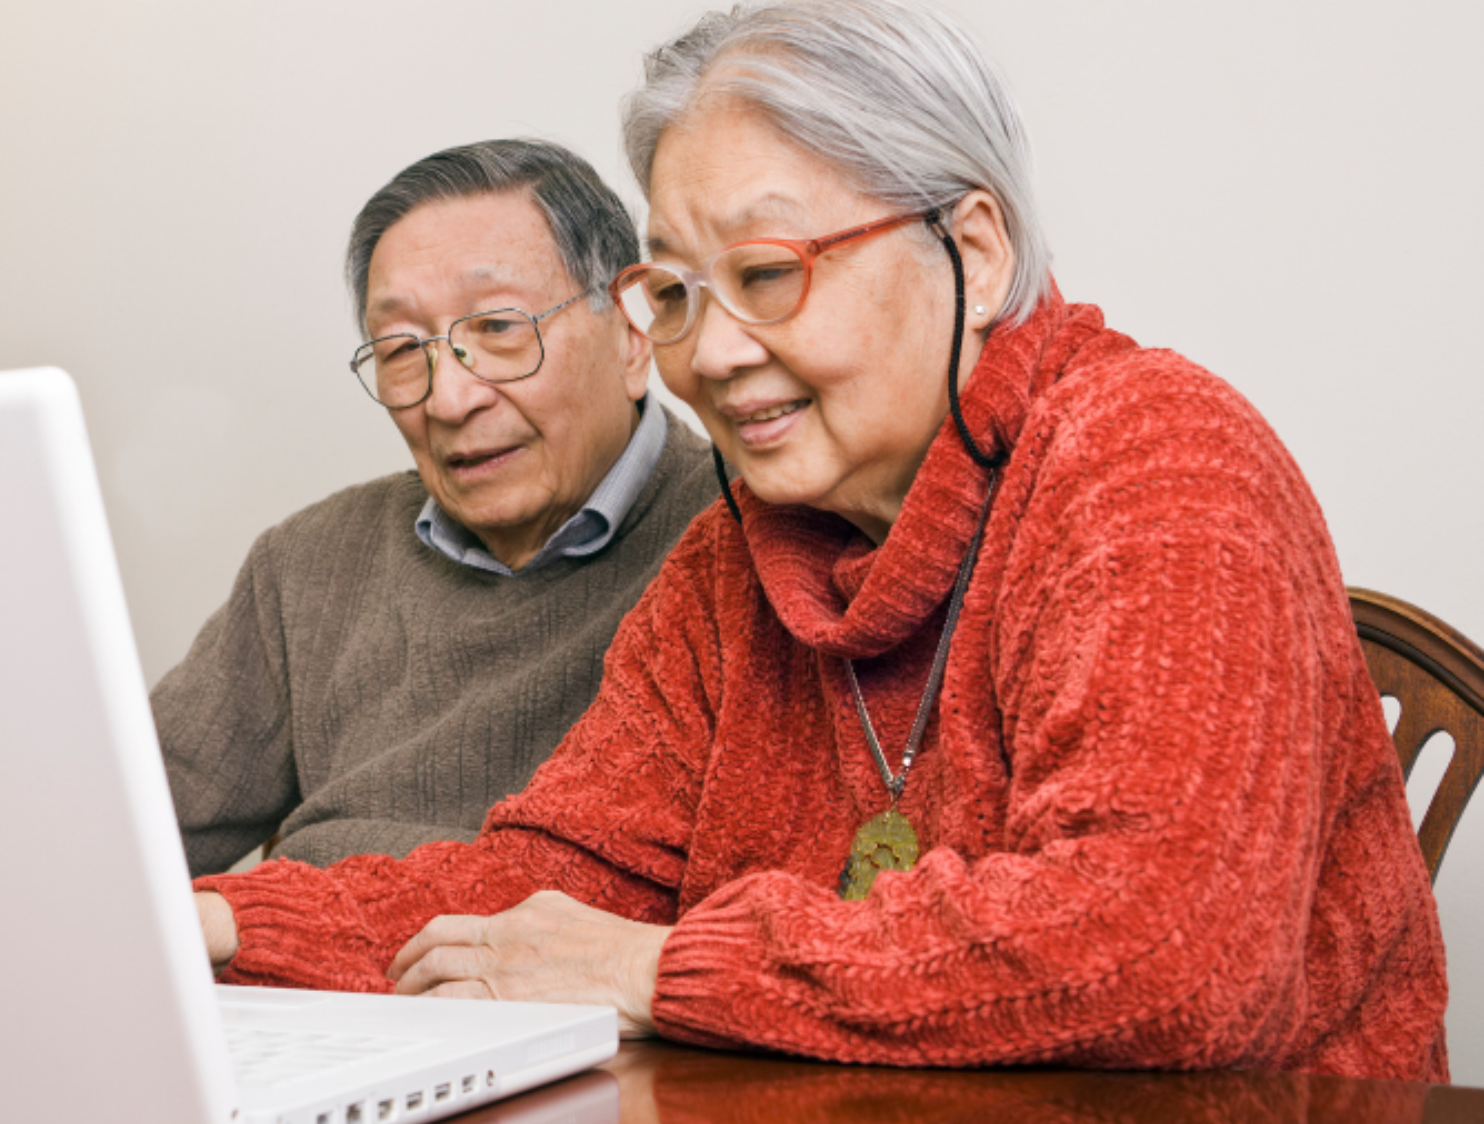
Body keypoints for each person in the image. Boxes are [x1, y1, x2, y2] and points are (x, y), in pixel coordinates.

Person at [191, 0, 1450, 1081]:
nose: (713, 352)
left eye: (770, 271)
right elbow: (542, 890)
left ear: (969, 245)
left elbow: (1167, 955)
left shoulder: (1156, 459)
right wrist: (209, 924)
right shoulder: (733, 560)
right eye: (676, 292)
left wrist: (664, 968)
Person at [156, 139, 720, 877]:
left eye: (498, 328)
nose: (450, 399)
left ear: (631, 336)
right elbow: (104, 832)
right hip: (293, 976)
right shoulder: (306, 566)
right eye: (400, 350)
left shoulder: (743, 532)